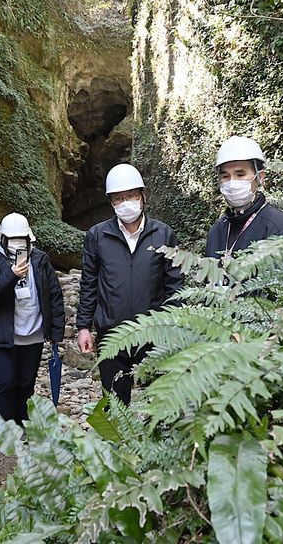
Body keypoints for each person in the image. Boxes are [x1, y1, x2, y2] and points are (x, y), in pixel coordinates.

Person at [76, 163, 184, 405]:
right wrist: (84, 326)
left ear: (143, 196)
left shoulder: (163, 234)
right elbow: (89, 283)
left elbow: (175, 284)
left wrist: (176, 328)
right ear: (111, 202)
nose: (126, 203)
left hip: (154, 334)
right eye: (118, 198)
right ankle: (117, 444)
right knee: (115, 405)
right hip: (111, 335)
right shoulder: (97, 235)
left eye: (131, 196)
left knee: (159, 403)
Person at [0, 213, 64, 423]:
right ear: (4, 240)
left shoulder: (41, 261)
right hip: (3, 336)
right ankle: (4, 426)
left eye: (21, 238)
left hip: (33, 334)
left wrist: (56, 331)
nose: (18, 243)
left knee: (26, 382)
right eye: (13, 239)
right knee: (4, 382)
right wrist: (12, 274)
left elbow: (54, 295)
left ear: (29, 239)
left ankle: (21, 421)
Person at [205, 136, 283, 260]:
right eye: (225, 176)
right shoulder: (217, 230)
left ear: (260, 177)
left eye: (240, 174)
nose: (232, 183)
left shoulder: (279, 227)